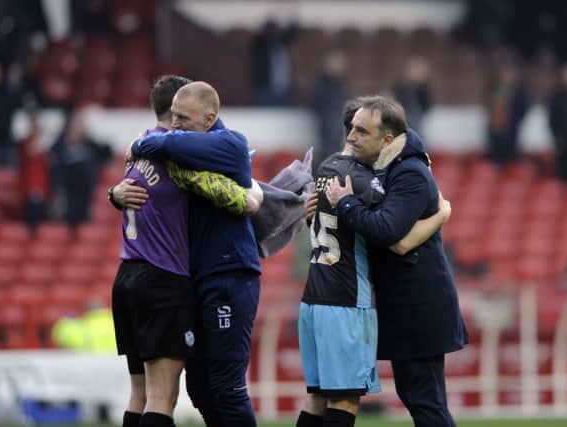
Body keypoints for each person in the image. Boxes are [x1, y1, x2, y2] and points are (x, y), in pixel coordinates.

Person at [109, 75, 262, 427]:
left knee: (225, 386)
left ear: (209, 119)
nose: (175, 126)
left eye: (183, 118)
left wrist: (142, 143)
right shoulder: (177, 148)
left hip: (227, 275)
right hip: (191, 277)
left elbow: (158, 147)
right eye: (172, 116)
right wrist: (114, 194)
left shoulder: (230, 143)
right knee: (199, 387)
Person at [297, 98, 452, 427]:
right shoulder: (367, 179)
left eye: (362, 130)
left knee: (328, 397)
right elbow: (394, 237)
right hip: (346, 300)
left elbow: (389, 234)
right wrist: (441, 215)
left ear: (386, 140)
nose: (353, 136)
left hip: (343, 299)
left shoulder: (332, 170)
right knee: (344, 399)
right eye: (352, 128)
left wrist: (332, 208)